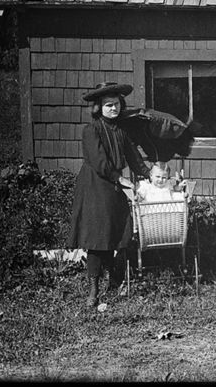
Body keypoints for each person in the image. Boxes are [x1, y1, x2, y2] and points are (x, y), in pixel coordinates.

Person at [67, 82, 150, 308]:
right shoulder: (91, 130)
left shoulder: (121, 131)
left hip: (113, 188)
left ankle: (113, 279)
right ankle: (93, 288)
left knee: (117, 234)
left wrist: (148, 173)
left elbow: (134, 158)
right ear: (99, 107)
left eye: (116, 105)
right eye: (108, 105)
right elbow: (99, 162)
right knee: (97, 238)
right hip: (95, 187)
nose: (113, 109)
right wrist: (121, 179)